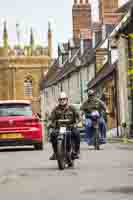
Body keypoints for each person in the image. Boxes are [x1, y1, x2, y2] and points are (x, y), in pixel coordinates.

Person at [49, 91, 80, 160]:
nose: (62, 101)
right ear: (59, 100)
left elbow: (78, 117)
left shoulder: (72, 108)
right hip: (59, 128)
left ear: (66, 100)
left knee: (77, 133)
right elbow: (51, 118)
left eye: (64, 99)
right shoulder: (55, 109)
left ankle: (76, 152)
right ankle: (56, 152)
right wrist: (50, 123)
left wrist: (77, 123)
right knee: (53, 134)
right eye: (60, 99)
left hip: (70, 127)